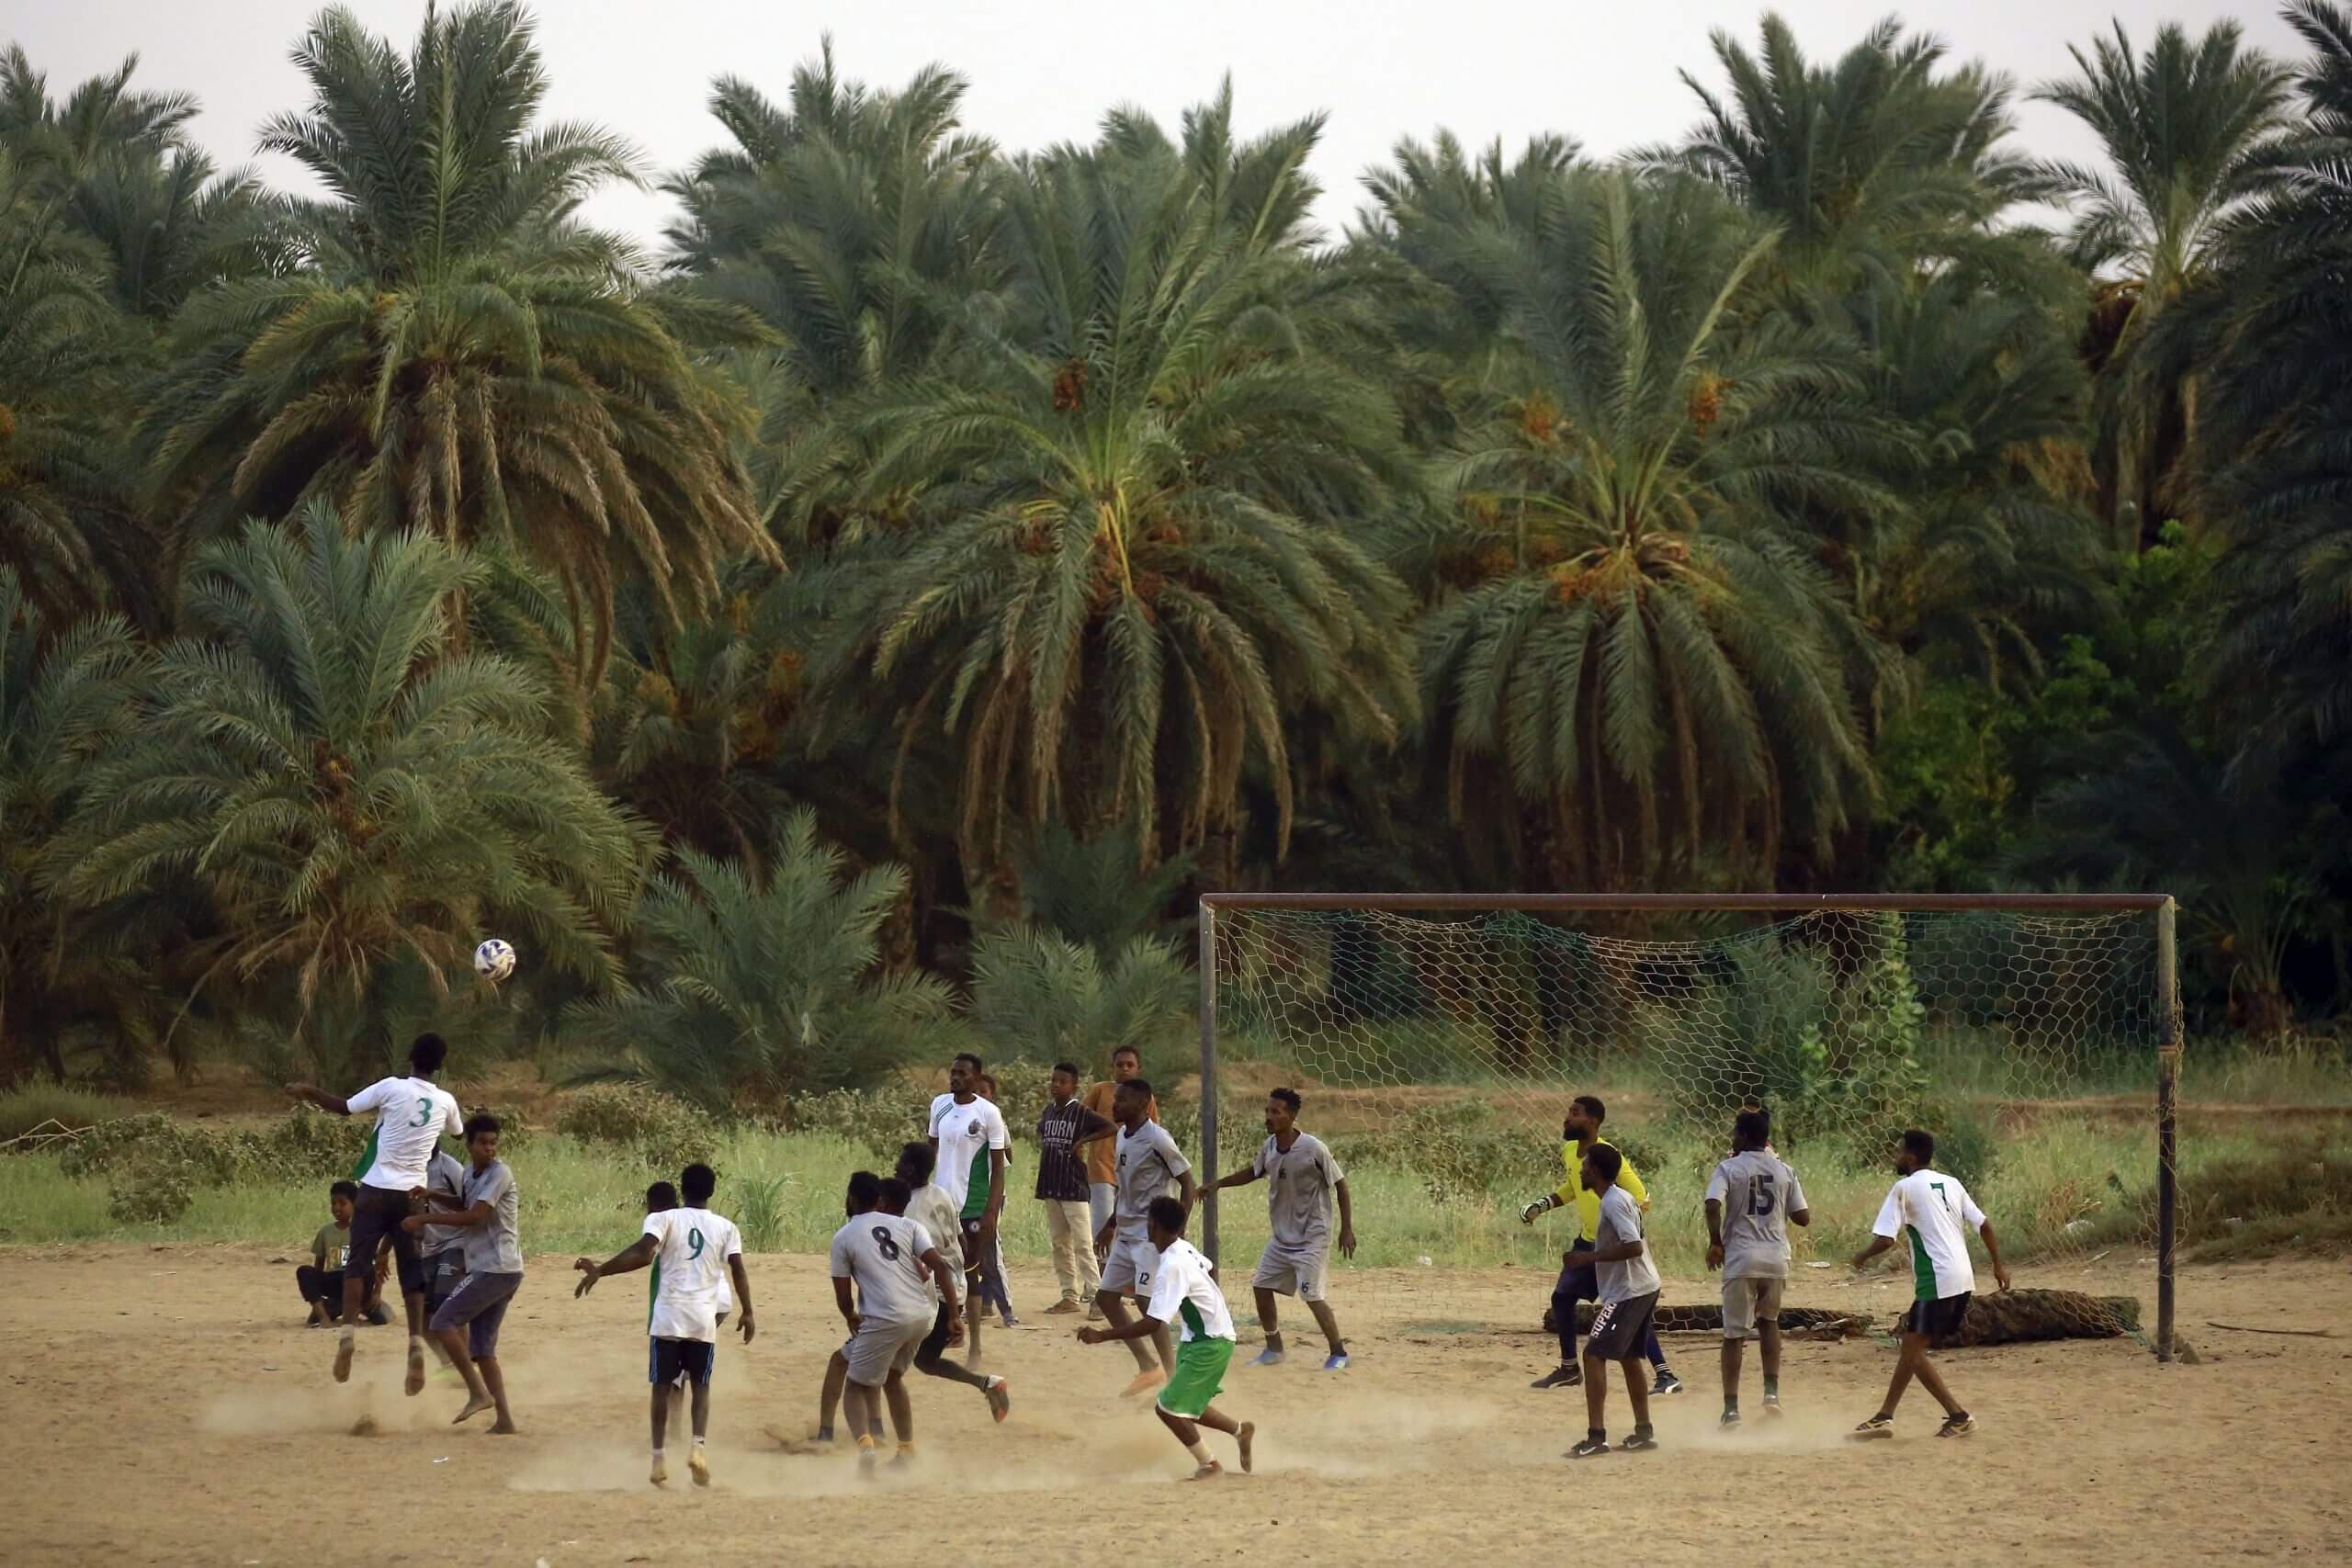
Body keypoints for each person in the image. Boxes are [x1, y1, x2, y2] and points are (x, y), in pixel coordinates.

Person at [284, 1032, 464, 1393]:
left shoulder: (392, 1088)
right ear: (440, 1066)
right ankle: (415, 1344)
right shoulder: (445, 1101)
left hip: (376, 1189)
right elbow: (457, 1134)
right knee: (411, 1273)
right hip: (412, 1195)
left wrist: (309, 1091)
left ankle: (348, 1333)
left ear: (410, 1058)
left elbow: (343, 1107)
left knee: (357, 1265)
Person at [574, 1162, 757, 1487]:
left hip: (669, 1316)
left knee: (661, 1387)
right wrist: (748, 1311)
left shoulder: (664, 1218)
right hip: (703, 1318)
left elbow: (645, 1253)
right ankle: (697, 1448)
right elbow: (738, 1270)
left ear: (681, 1189)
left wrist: (601, 1270)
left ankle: (658, 1459)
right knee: (701, 1385)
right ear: (712, 1192)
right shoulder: (727, 1227)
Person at [1848, 1129, 2010, 1440]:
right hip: (1963, 1277)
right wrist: (1998, 1265)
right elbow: (1985, 1224)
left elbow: (1885, 1239)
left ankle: (1950, 1415)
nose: (1896, 1157)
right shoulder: (1951, 1183)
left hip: (1937, 1278)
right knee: (1913, 1349)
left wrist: (1861, 1256)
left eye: (1899, 1152)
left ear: (1910, 1157)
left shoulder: (1903, 1187)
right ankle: (1894, 1416)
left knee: (1912, 1350)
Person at [1079, 1197, 1254, 1481]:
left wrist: (1103, 1335)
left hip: (1211, 1342)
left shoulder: (1171, 1265)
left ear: (1152, 1226)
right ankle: (1239, 1430)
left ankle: (1209, 1465)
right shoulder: (1182, 1249)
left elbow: (1153, 1323)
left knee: (1167, 1408)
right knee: (1186, 1403)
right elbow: (1207, 1267)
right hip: (1199, 1337)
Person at [1519, 1094, 1681, 1394]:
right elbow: (1572, 1187)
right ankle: (1569, 1368)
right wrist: (1542, 1205)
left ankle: (1664, 1373)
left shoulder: (1606, 1155)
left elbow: (1642, 1196)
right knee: (1562, 1299)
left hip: (1610, 1250)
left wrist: (1624, 1230)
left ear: (1592, 1122)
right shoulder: (1570, 1150)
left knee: (1625, 1310)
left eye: (1575, 1113)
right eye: (1569, 1111)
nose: (1567, 1117)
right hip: (1586, 1244)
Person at [1211, 1089, 1356, 1371]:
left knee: (1311, 1296)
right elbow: (1253, 1172)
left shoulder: (1314, 1148)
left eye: (1275, 1112)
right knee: (1261, 1286)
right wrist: (1217, 1184)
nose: (1269, 1117)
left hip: (1312, 1235)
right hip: (1282, 1237)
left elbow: (1340, 1184)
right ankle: (1274, 1348)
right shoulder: (1269, 1147)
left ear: (1292, 1116)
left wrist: (1347, 1229)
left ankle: (1339, 1353)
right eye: (1267, 1111)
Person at [830, 1172, 960, 1472]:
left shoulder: (845, 1236)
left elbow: (843, 1294)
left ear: (851, 1199)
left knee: (855, 1385)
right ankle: (906, 1449)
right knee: (892, 1378)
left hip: (886, 1316)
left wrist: (850, 1316)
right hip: (923, 1315)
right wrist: (953, 1314)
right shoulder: (909, 1225)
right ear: (879, 1200)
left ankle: (866, 1450)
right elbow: (939, 1265)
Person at [403, 1113, 525, 1433]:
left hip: (496, 1268)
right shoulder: (471, 1173)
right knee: (483, 1349)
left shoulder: (500, 1173)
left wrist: (424, 1220)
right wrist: (431, 1196)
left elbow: (474, 1215)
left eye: (493, 1143)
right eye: (483, 1143)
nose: (490, 1149)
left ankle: (476, 1393)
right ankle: (505, 1421)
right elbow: (463, 1202)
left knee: (442, 1322)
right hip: (497, 1269)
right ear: (469, 1145)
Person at [1703, 1109, 1808, 1427]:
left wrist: (1715, 1241)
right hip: (1776, 1257)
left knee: (1734, 1333)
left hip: (1742, 1257)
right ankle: (1771, 1394)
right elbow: (1803, 1217)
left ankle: (1731, 1409)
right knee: (1770, 1322)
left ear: (1744, 1137)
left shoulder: (1728, 1168)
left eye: (1735, 1132)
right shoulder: (1784, 1170)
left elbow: (1712, 1203)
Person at [1092, 1077, 1194, 1396]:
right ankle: (1148, 1366)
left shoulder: (1158, 1139)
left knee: (1147, 1301)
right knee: (1106, 1298)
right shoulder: (1123, 1134)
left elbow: (1188, 1183)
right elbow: (1126, 1186)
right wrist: (1111, 1222)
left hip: (1151, 1234)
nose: (1114, 1104)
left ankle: (1172, 1373)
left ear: (1141, 1104)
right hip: (1125, 1230)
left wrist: (1177, 1226)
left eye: (1121, 1100)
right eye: (1115, 1099)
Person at [1568, 1144, 1661, 1458]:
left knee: (1593, 1354)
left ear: (1595, 1171)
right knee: (1630, 1357)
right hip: (1643, 1285)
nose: (1581, 1171)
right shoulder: (1619, 1197)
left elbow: (1632, 1246)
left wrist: (1588, 1258)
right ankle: (1644, 1432)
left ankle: (1597, 1437)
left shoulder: (1613, 1202)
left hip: (1629, 1291)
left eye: (1585, 1166)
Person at [927, 1053, 1010, 1360]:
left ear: (976, 1078)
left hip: (973, 1204)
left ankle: (975, 1344)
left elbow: (998, 1169)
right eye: (953, 1072)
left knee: (971, 1271)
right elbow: (931, 1150)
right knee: (940, 1269)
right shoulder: (940, 1105)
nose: (955, 1077)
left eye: (962, 1073)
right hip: (940, 1203)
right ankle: (948, 1333)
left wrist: (991, 1210)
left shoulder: (989, 1113)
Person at [1080, 1046, 1157, 1314]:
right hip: (1101, 1169)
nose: (1124, 1069)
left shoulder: (1146, 1099)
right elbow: (1080, 1117)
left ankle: (1134, 1289)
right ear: (1112, 1067)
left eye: (1129, 1065)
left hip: (1131, 1178)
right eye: (1119, 1064)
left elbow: (1153, 1135)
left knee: (1131, 1233)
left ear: (1138, 1069)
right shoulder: (1101, 1091)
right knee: (1102, 1231)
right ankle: (1100, 1297)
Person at [1035, 1061, 1114, 1314]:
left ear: (1073, 1086)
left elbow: (1109, 1127)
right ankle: (1069, 1294)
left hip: (1074, 1185)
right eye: (1054, 1081)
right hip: (1051, 1184)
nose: (1056, 1086)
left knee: (1083, 1243)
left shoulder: (1079, 1111)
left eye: (1063, 1082)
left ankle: (1096, 1296)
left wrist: (1082, 1140)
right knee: (1060, 1243)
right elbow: (1042, 1133)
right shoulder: (1048, 1111)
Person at [297, 1180, 387, 1326]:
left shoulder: (363, 1231)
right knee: (304, 1272)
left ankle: (360, 1307)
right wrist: (316, 1289)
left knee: (367, 1269)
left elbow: (377, 1265)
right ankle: (323, 1316)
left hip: (357, 1283)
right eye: (333, 1203)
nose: (337, 1207)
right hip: (335, 1282)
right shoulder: (325, 1232)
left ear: (355, 1205)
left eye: (342, 1203)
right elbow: (318, 1266)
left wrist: (377, 1293)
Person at [972, 1072, 1019, 1327]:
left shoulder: (995, 1121)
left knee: (991, 1251)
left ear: (993, 1095)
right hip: (968, 1196)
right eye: (976, 1091)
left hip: (990, 1197)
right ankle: (984, 1302)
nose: (980, 1095)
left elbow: (1007, 1159)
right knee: (974, 1251)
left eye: (985, 1091)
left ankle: (1007, 1309)